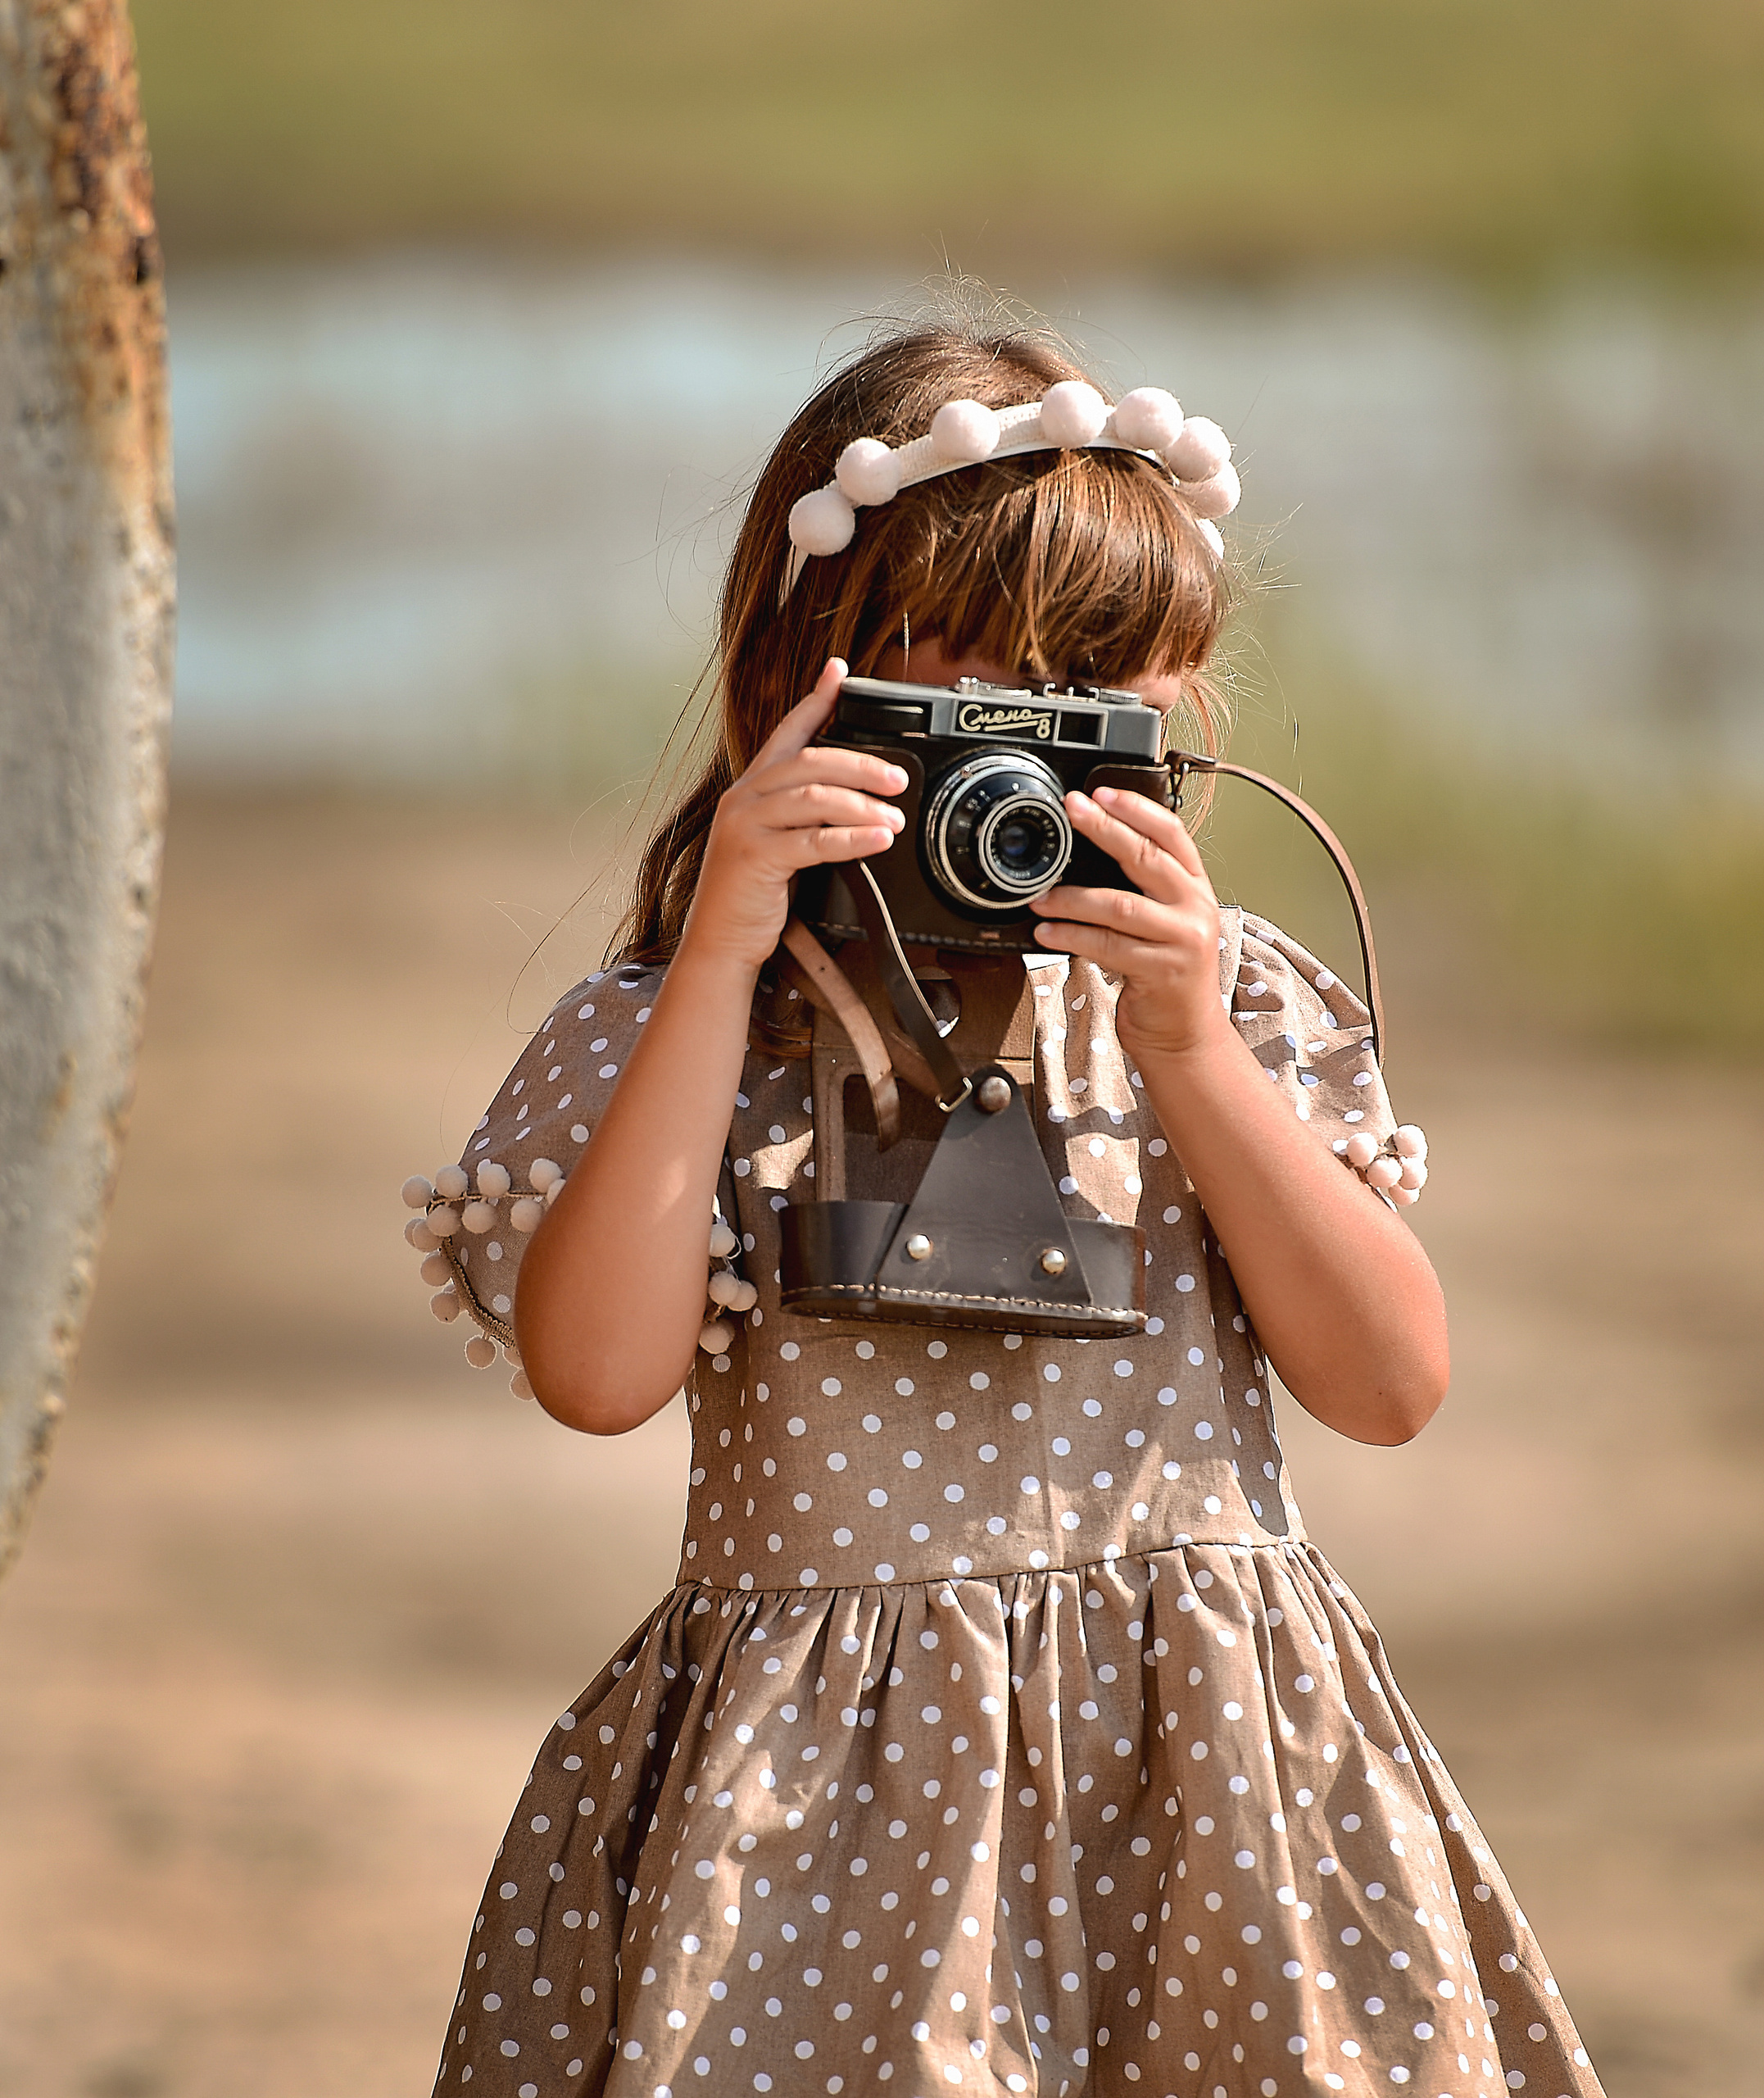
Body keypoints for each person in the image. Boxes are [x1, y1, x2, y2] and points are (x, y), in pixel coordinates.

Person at [410, 318, 1605, 2098]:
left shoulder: (1231, 1008)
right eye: (949, 694)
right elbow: (595, 1372)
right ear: (786, 690)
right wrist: (725, 951)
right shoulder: (680, 1034)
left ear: (1168, 717)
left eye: (1076, 701)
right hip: (831, 1822)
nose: (1014, 763)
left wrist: (1190, 1053)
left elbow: (1388, 1383)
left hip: (1205, 1789)